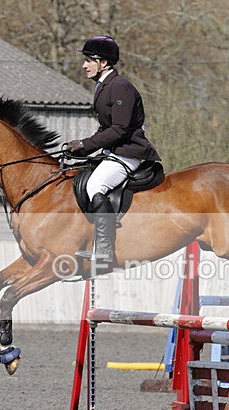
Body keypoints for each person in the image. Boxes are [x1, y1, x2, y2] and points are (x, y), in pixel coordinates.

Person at [66, 35, 160, 273]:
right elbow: (107, 128)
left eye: (88, 60)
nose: (84, 65)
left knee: (95, 185)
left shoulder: (120, 87)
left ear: (103, 62)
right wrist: (81, 148)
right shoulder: (104, 86)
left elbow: (119, 129)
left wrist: (86, 144)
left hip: (130, 152)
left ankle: (105, 250)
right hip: (114, 150)